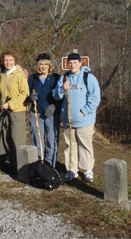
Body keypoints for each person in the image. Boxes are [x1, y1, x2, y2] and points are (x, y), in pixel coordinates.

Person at [52, 53, 100, 182]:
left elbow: (95, 97)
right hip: (69, 121)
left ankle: (88, 170)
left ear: (80, 63)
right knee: (70, 146)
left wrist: (85, 111)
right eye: (70, 63)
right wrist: (62, 89)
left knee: (85, 145)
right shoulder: (64, 78)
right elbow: (56, 96)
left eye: (75, 62)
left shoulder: (88, 78)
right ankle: (72, 170)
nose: (72, 65)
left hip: (85, 120)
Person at [28, 53, 61, 168]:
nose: (43, 66)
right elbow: (26, 94)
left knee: (52, 140)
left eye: (46, 64)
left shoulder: (56, 78)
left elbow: (61, 96)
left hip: (52, 114)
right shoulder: (33, 78)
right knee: (38, 140)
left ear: (49, 65)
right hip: (36, 113)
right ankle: (40, 164)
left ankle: (50, 164)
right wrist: (30, 98)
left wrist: (54, 106)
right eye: (41, 64)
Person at [0, 50, 29, 172]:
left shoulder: (20, 74)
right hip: (5, 111)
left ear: (15, 61)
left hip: (18, 111)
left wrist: (10, 104)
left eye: (11, 60)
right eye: (6, 60)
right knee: (7, 139)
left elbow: (25, 93)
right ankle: (13, 165)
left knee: (18, 139)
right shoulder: (2, 74)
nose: (8, 62)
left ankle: (22, 168)